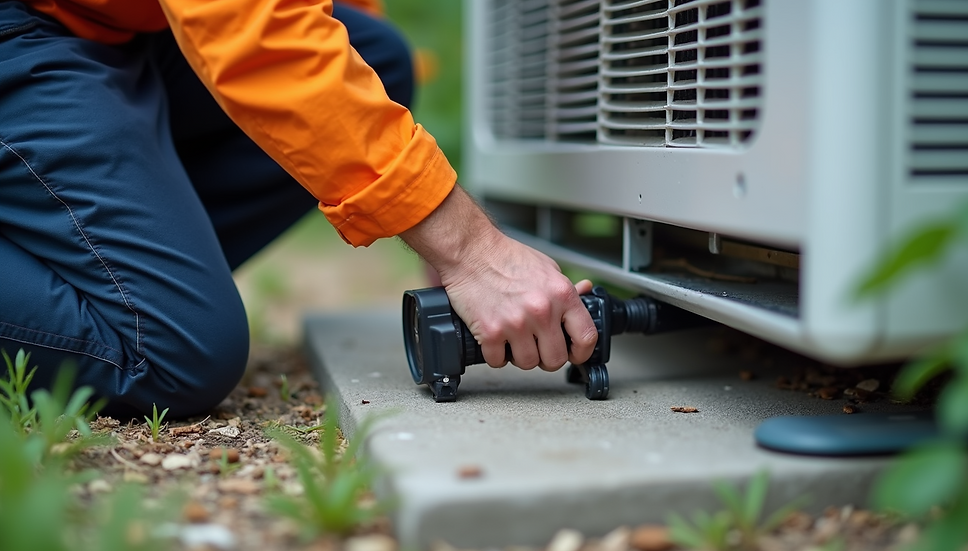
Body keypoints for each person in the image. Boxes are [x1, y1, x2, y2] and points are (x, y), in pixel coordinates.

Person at [0, 0, 599, 418]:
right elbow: (257, 32)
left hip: (109, 26)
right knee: (171, 351)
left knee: (376, 56)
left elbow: (309, 23)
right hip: (23, 31)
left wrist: (434, 220)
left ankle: (83, 262)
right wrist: (469, 250)